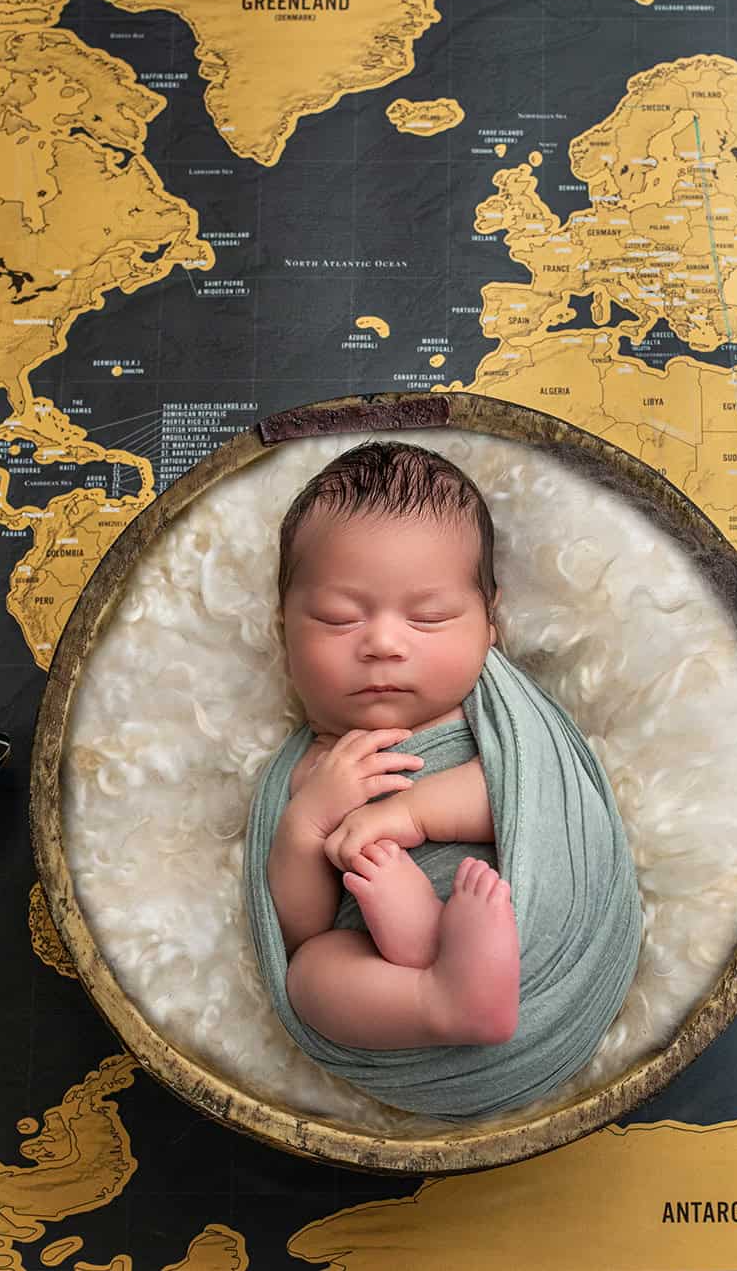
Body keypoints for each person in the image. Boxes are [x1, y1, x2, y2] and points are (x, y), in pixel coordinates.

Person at [262, 440, 522, 1050]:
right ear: (285, 632)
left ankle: (447, 958)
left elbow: (536, 799)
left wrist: (408, 812)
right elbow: (300, 927)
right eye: (336, 617)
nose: (383, 643)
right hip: (396, 989)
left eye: (428, 617)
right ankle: (440, 1000)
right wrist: (307, 824)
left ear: (491, 624)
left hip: (518, 923)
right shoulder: (311, 769)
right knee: (312, 972)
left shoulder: (494, 722)